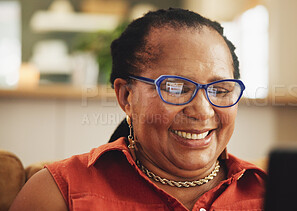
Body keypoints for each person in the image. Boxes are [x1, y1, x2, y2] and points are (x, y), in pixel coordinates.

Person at [10, 8, 266, 210]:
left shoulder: (270, 191)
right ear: (126, 96)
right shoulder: (59, 192)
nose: (202, 111)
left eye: (220, 90)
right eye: (176, 87)